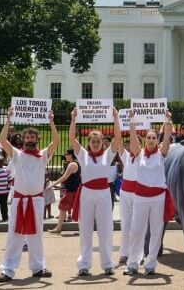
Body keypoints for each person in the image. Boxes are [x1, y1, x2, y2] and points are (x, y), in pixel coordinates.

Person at [0, 106, 59, 282]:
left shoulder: (43, 154)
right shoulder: (17, 154)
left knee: (36, 234)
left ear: (37, 139)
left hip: (37, 200)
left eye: (33, 137)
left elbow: (56, 141)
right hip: (19, 200)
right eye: (27, 137)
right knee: (14, 235)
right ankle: (7, 270)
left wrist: (51, 122)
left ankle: (38, 267)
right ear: (23, 139)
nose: (30, 139)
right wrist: (8, 119)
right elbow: (2, 140)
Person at [69, 107, 121, 276]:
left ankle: (107, 264)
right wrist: (73, 119)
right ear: (89, 142)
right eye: (93, 141)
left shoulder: (107, 155)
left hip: (104, 193)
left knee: (105, 228)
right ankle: (84, 264)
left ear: (102, 142)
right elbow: (71, 138)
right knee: (85, 229)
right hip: (87, 194)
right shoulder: (83, 155)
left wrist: (115, 117)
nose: (96, 144)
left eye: (98, 141)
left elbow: (118, 137)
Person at [124, 110, 173, 276]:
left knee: (156, 232)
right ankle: (132, 263)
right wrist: (132, 120)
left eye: (153, 137)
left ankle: (151, 264)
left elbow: (166, 138)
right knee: (136, 230)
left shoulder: (161, 154)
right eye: (149, 138)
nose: (151, 140)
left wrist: (168, 121)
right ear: (145, 140)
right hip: (141, 198)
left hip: (158, 198)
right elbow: (132, 138)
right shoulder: (139, 154)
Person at [117, 136, 141, 264]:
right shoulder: (126, 156)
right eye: (130, 143)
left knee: (137, 225)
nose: (131, 145)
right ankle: (124, 253)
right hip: (125, 193)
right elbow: (118, 141)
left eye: (135, 142)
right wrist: (117, 121)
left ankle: (137, 253)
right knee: (125, 224)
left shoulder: (142, 156)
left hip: (138, 194)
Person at [47, 148, 80, 234]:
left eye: (66, 154)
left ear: (71, 155)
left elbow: (64, 177)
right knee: (64, 207)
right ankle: (59, 227)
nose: (65, 155)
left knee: (63, 207)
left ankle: (59, 228)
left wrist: (52, 185)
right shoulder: (74, 164)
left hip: (73, 191)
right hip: (73, 190)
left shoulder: (72, 165)